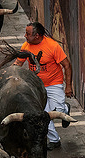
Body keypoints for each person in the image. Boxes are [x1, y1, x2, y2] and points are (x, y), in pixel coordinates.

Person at [14, 22, 73, 151]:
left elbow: (67, 65)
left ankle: (65, 109)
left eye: (28, 34)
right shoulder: (26, 46)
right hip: (37, 86)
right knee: (43, 115)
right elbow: (17, 63)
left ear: (37, 36)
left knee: (57, 111)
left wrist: (68, 86)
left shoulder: (52, 46)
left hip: (54, 84)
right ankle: (54, 140)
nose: (25, 36)